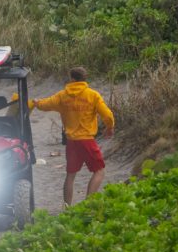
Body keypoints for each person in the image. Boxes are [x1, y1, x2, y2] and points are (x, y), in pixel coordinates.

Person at [29, 67, 115, 206]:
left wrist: (37, 102)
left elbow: (45, 105)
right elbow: (108, 115)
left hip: (71, 142)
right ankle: (89, 203)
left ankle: (67, 206)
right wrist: (109, 128)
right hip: (87, 140)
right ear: (84, 79)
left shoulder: (62, 96)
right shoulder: (92, 95)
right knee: (99, 171)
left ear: (72, 79)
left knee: (70, 175)